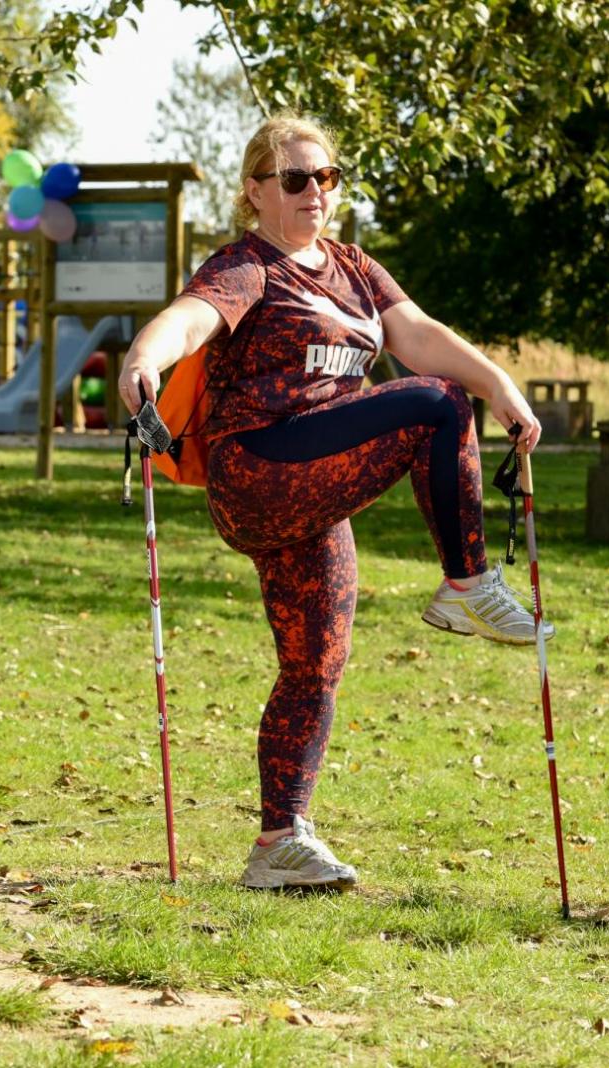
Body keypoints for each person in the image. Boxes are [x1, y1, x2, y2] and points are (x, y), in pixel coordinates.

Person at [116, 114, 550, 891]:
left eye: (326, 177)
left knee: (315, 662)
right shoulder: (249, 266)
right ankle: (467, 585)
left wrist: (504, 386)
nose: (314, 191)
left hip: (311, 491)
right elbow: (189, 319)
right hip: (259, 466)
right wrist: (144, 355)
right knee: (438, 405)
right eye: (294, 179)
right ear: (255, 192)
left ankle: (279, 841)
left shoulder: (355, 267)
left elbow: (415, 332)